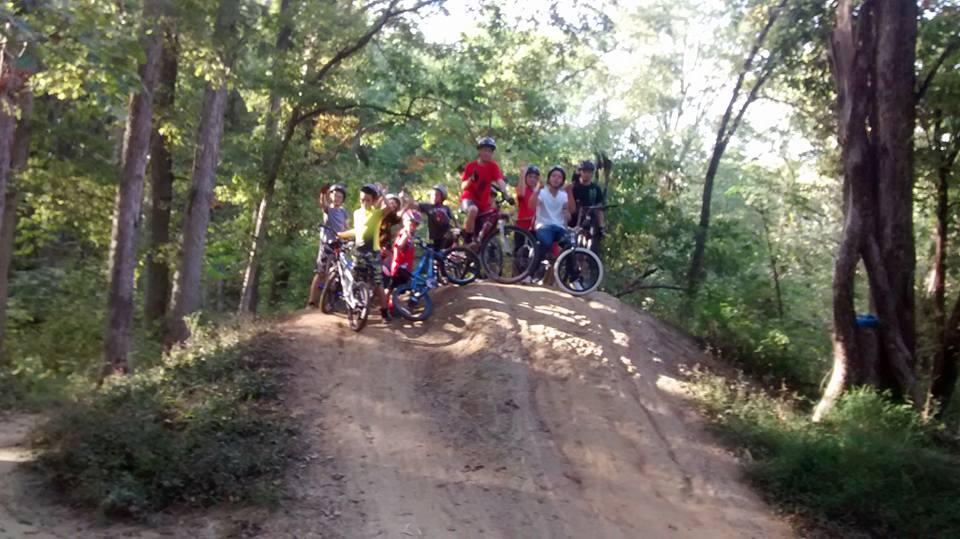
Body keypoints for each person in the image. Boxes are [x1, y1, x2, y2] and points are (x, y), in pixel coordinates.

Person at [338, 184, 391, 322]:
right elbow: (357, 230)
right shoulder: (357, 213)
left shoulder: (376, 213)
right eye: (362, 199)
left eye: (368, 200)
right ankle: (353, 307)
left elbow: (390, 208)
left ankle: (384, 312)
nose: (364, 203)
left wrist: (382, 194)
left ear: (373, 201)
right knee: (356, 280)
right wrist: (342, 235)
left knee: (378, 283)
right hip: (359, 252)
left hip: (373, 253)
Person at [460, 136, 508, 245]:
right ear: (480, 151)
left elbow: (500, 181)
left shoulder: (493, 166)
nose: (487, 153)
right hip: (469, 200)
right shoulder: (471, 166)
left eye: (490, 151)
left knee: (489, 222)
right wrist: (470, 180)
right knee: (473, 210)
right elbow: (463, 186)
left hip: (483, 204)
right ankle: (467, 240)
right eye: (485, 150)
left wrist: (506, 194)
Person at [308, 184, 348, 308]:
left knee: (337, 273)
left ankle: (330, 301)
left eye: (339, 197)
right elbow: (322, 204)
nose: (337, 198)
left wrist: (350, 236)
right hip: (327, 244)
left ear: (342, 199)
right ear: (330, 196)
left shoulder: (343, 212)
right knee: (320, 273)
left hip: (339, 244)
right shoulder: (328, 209)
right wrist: (322, 194)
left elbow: (346, 226)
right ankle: (311, 301)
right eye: (335, 196)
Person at [531, 166, 576, 274]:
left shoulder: (564, 195)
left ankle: (573, 277)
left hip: (559, 228)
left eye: (559, 177)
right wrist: (537, 190)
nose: (556, 179)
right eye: (554, 176)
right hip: (543, 226)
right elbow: (531, 205)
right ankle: (531, 272)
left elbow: (572, 211)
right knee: (546, 243)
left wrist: (570, 193)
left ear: (562, 181)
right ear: (549, 178)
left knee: (570, 246)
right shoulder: (542, 192)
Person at [386, 208, 421, 312]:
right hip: (399, 267)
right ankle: (386, 307)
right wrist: (406, 238)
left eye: (416, 225)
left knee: (403, 288)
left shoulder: (411, 235)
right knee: (392, 288)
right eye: (411, 223)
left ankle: (397, 307)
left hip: (406, 267)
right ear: (405, 222)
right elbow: (399, 246)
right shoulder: (404, 233)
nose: (413, 226)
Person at [571, 159, 606, 255]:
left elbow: (599, 208)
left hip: (590, 221)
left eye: (589, 172)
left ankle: (586, 266)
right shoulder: (574, 187)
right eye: (584, 171)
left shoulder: (595, 189)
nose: (586, 174)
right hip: (574, 222)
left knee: (589, 249)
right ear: (580, 172)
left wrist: (601, 225)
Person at [418, 185, 455, 250]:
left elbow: (453, 218)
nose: (434, 197)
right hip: (434, 237)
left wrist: (457, 226)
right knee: (433, 253)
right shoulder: (428, 206)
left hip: (446, 235)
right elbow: (415, 205)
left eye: (437, 195)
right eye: (433, 195)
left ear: (442, 197)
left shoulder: (446, 208)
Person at [515, 165, 540, 232]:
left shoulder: (539, 193)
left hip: (534, 226)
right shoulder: (523, 189)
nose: (532, 179)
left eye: (535, 177)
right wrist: (523, 173)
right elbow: (520, 194)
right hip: (522, 226)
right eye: (530, 176)